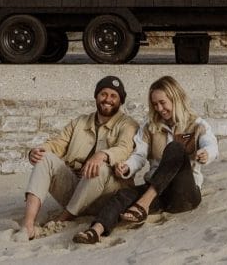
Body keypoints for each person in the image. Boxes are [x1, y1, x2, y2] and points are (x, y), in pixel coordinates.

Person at [73, 75, 219, 244]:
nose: (159, 108)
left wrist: (206, 153)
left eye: (162, 102)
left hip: (184, 195)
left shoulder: (197, 124)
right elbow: (139, 156)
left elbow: (212, 145)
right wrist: (127, 167)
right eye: (155, 104)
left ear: (175, 98)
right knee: (123, 194)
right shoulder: (149, 127)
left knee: (175, 148)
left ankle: (143, 204)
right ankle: (95, 231)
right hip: (159, 195)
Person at [19, 75, 139, 240]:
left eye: (114, 96)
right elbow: (57, 144)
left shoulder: (128, 124)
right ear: (96, 96)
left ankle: (63, 219)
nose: (108, 99)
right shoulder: (80, 122)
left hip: (105, 196)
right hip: (74, 190)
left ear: (120, 101)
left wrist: (102, 155)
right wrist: (38, 151)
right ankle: (28, 224)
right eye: (103, 94)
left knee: (100, 168)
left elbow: (124, 149)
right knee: (45, 158)